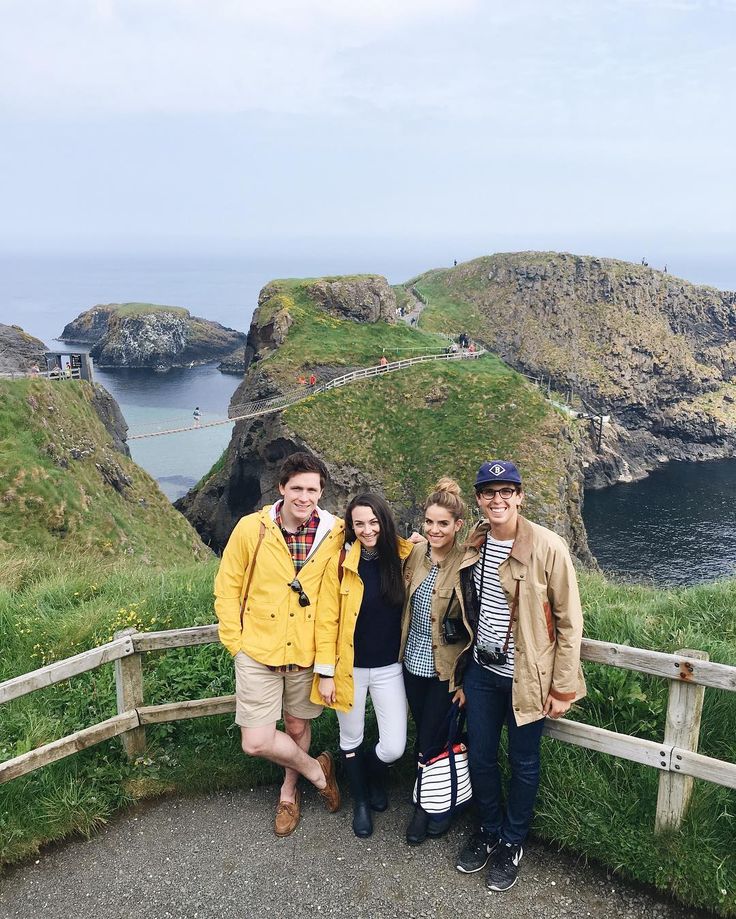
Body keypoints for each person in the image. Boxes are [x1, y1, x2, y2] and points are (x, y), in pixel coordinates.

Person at [453, 460, 586, 891]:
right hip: (482, 673)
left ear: (520, 496)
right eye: (489, 492)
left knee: (524, 763)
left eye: (506, 491)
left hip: (528, 678)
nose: (498, 499)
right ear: (478, 500)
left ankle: (512, 842)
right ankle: (490, 829)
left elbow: (569, 621)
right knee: (480, 757)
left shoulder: (548, 547)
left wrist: (563, 687)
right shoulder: (473, 544)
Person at [214, 452, 345, 837]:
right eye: (297, 488)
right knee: (255, 741)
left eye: (313, 489)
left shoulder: (334, 532)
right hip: (257, 650)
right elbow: (227, 588)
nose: (305, 497)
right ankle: (315, 770)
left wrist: (419, 545)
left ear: (321, 492)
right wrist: (235, 644)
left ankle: (289, 792)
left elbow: (377, 539)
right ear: (281, 489)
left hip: (306, 652)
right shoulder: (251, 529)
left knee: (296, 724)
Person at [312, 493, 413, 838]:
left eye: (374, 521)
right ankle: (361, 801)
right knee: (351, 736)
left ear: (384, 521)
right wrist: (325, 674)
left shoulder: (403, 557)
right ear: (350, 527)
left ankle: (368, 775)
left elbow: (434, 549)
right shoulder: (340, 564)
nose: (368, 529)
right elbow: (325, 621)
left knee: (393, 746)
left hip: (389, 668)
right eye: (359, 523)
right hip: (348, 668)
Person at [400, 477, 471, 845]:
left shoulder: (468, 563)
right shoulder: (414, 554)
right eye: (429, 522)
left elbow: (476, 627)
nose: (434, 529)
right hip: (411, 665)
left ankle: (426, 810)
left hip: (445, 672)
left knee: (433, 739)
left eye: (443, 523)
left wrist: (465, 683)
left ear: (458, 526)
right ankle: (437, 799)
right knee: (423, 735)